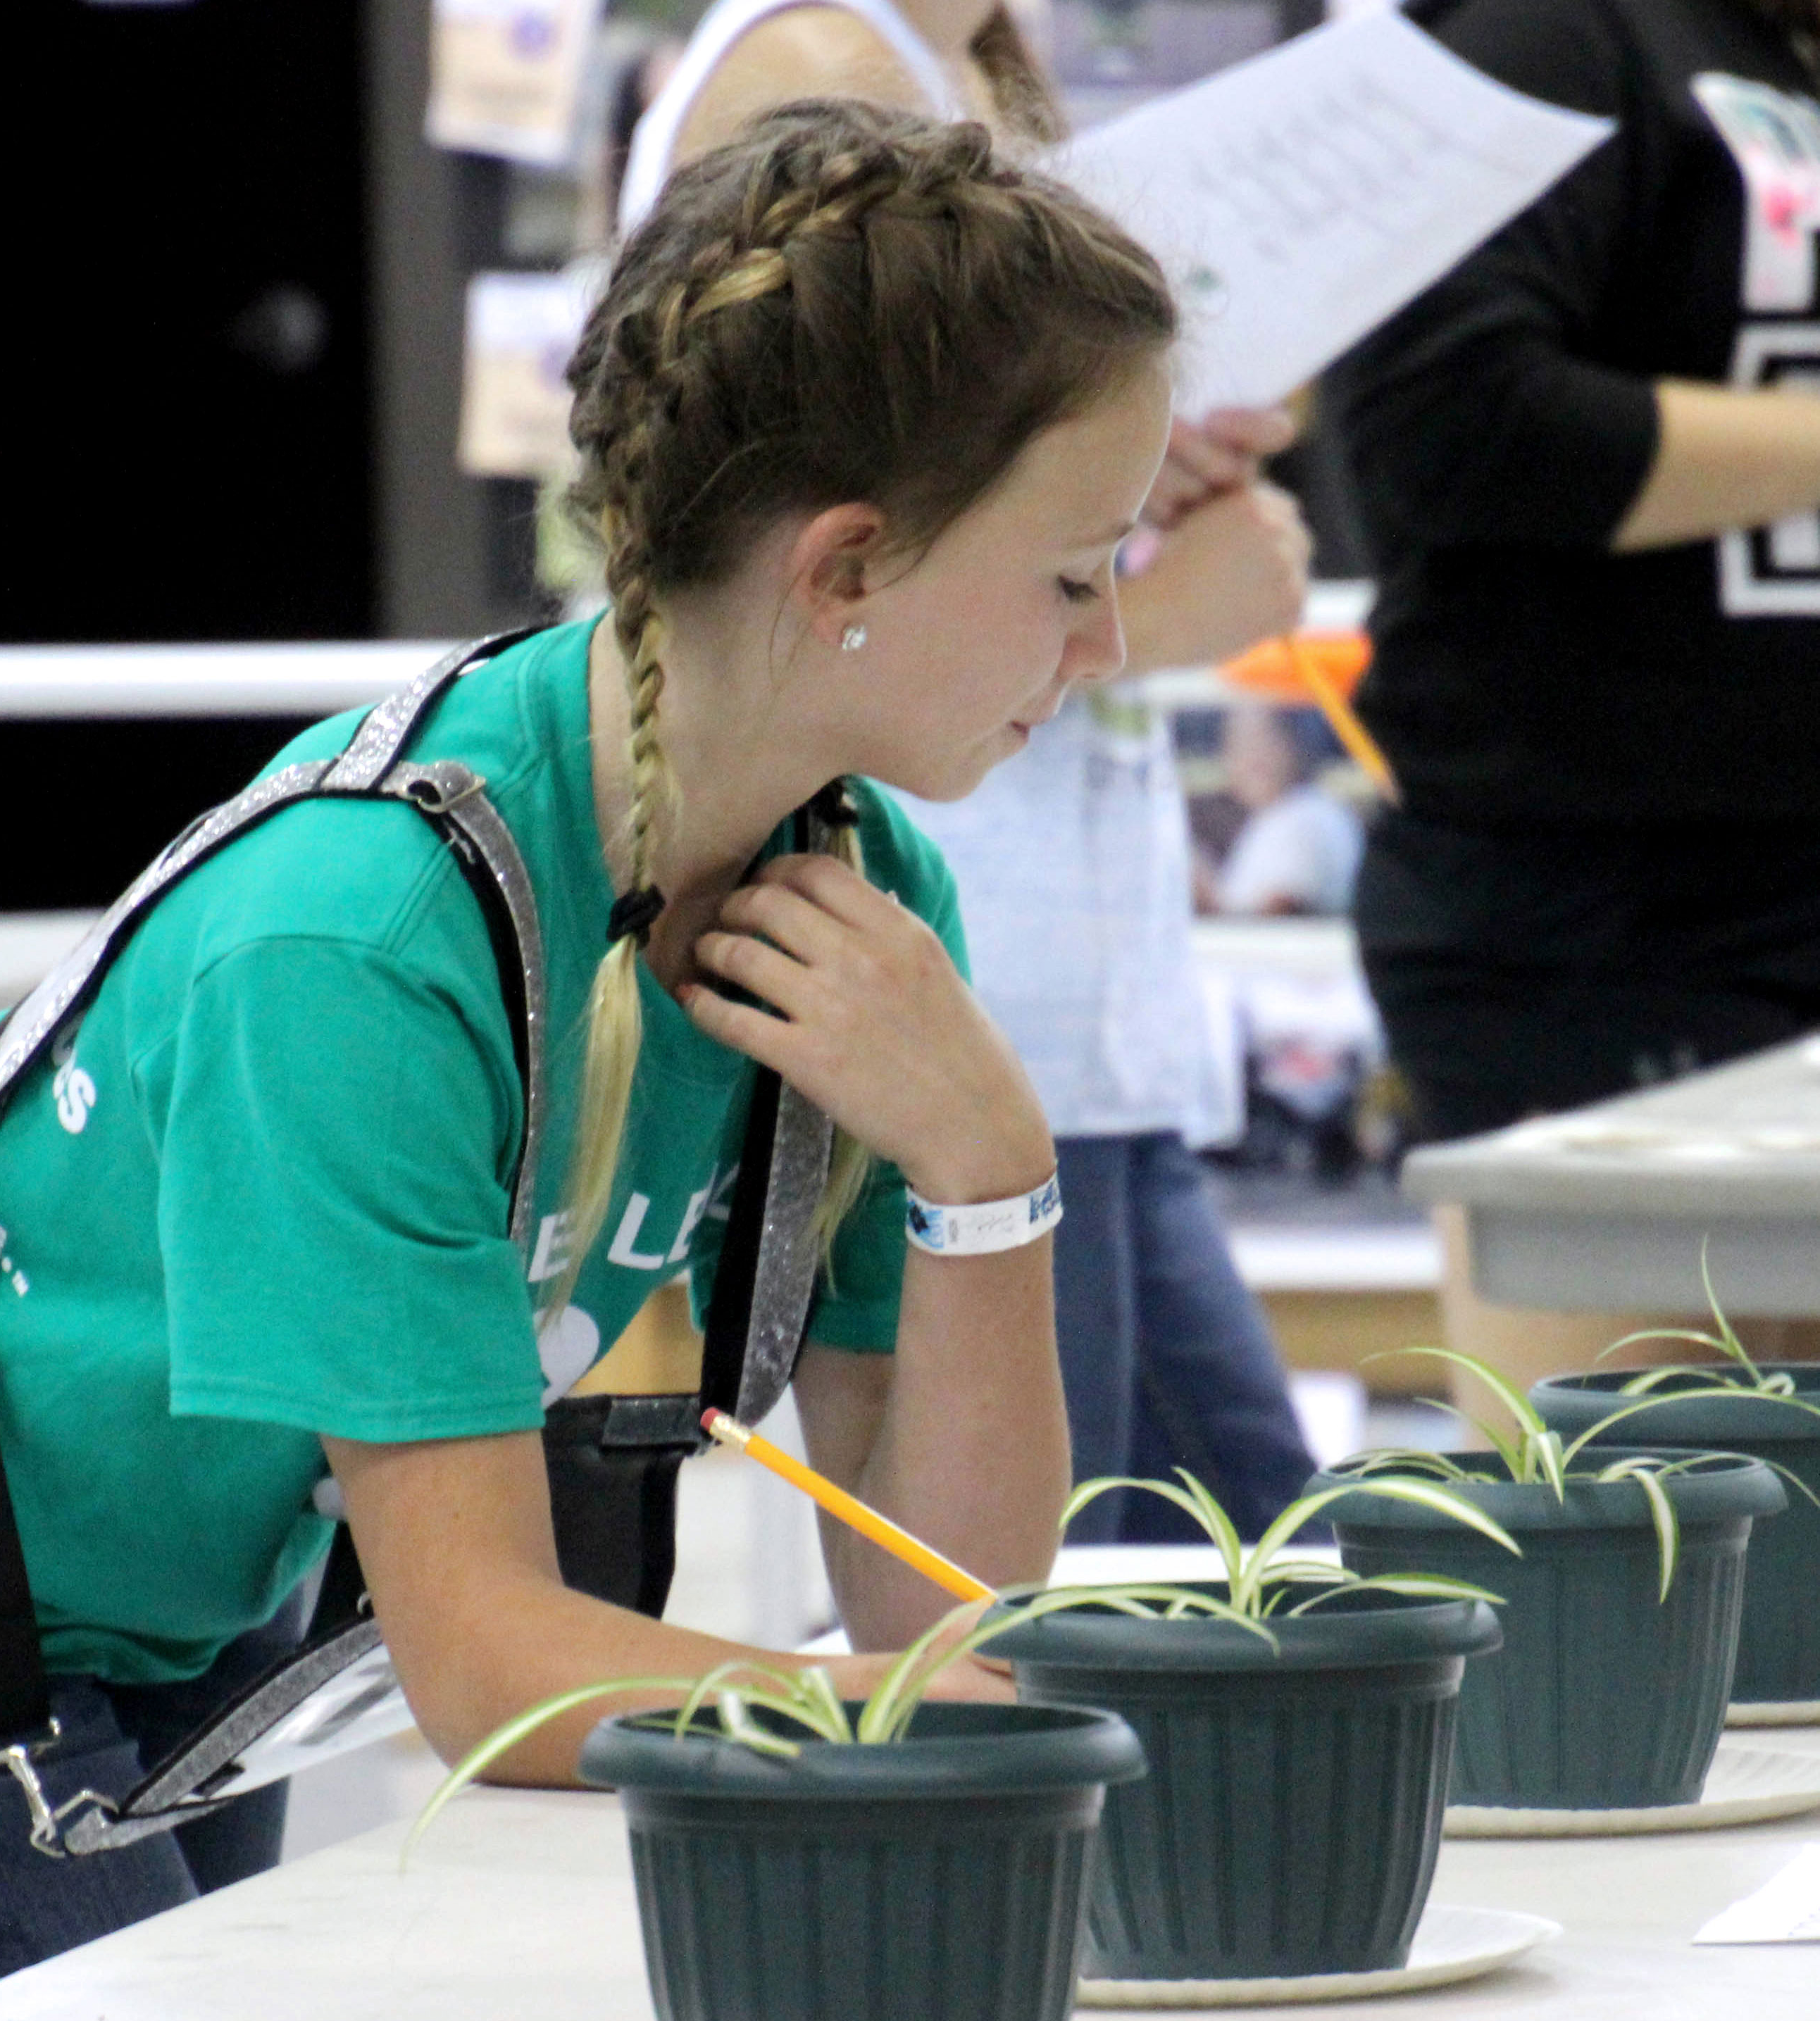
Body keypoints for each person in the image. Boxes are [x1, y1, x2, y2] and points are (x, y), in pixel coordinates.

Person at [0, 103, 1180, 2021]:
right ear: (843, 565)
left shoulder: (863, 892)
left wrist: (987, 1166)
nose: (1110, 640)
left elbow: (938, 1606)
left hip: (199, 1573)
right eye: (1069, 572)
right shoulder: (363, 939)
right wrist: (898, 1721)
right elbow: (488, 1666)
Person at [617, 0, 1319, 1537]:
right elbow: (792, 524)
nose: (1092, 624)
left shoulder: (950, 73)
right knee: (1147, 1592)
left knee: (1246, 1566)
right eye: (1073, 583)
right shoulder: (822, 72)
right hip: (959, 961)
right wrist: (1147, 603)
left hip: (1025, 977)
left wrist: (1117, 504)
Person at [1322, 0, 1820, 1389]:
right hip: (1592, 903)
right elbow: (1446, 418)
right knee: (1628, 1527)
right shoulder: (1559, 32)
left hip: (1768, 869)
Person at [1201, 705, 1364, 918]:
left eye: (1265, 740)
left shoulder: (1303, 818)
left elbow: (1275, 918)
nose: (1252, 758)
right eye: (1239, 745)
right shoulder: (1278, 814)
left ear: (1295, 744)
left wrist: (1202, 884)